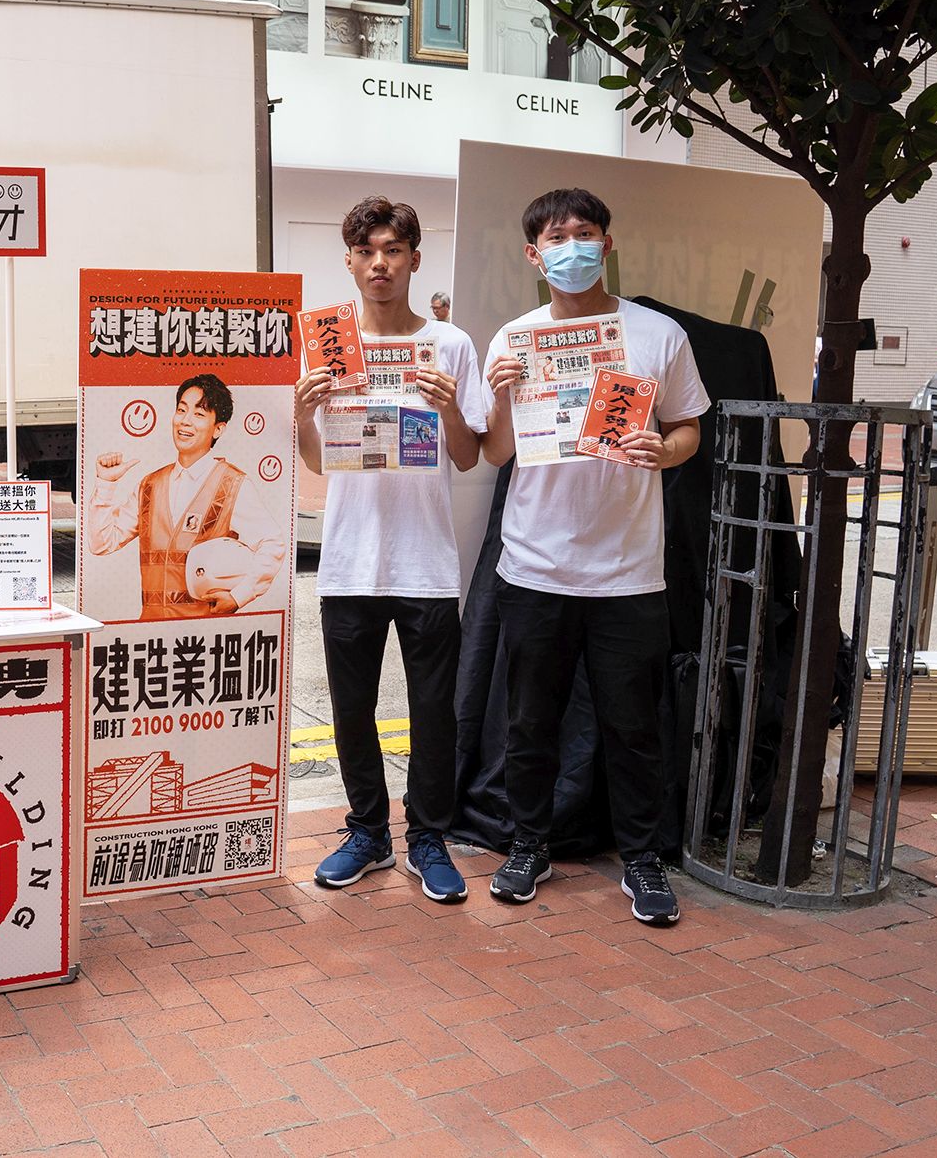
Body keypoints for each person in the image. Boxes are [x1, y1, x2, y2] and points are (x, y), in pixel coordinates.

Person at [479, 187, 709, 927]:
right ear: (533, 254)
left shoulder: (656, 334)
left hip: (629, 572)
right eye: (554, 238)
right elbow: (494, 453)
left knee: (632, 726)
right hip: (534, 566)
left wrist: (661, 451)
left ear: (607, 242)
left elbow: (688, 431)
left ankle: (641, 859)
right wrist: (506, 398)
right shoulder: (512, 339)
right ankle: (527, 844)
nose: (570, 248)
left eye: (583, 234)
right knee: (529, 723)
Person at [296, 198, 487, 903]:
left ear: (413, 258)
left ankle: (428, 838)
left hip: (427, 562)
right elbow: (317, 463)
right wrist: (297, 413)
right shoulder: (325, 341)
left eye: (393, 250)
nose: (380, 263)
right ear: (348, 260)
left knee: (436, 711)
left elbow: (467, 457)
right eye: (366, 250)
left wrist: (447, 411)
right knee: (352, 708)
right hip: (348, 559)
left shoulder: (451, 345)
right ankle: (368, 833)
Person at [87, 373, 287, 620]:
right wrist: (106, 484)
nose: (185, 422)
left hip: (202, 637)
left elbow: (272, 543)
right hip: (149, 632)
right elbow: (101, 543)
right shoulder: (150, 485)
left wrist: (239, 596)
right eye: (181, 410)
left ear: (218, 429)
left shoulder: (232, 484)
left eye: (199, 414)